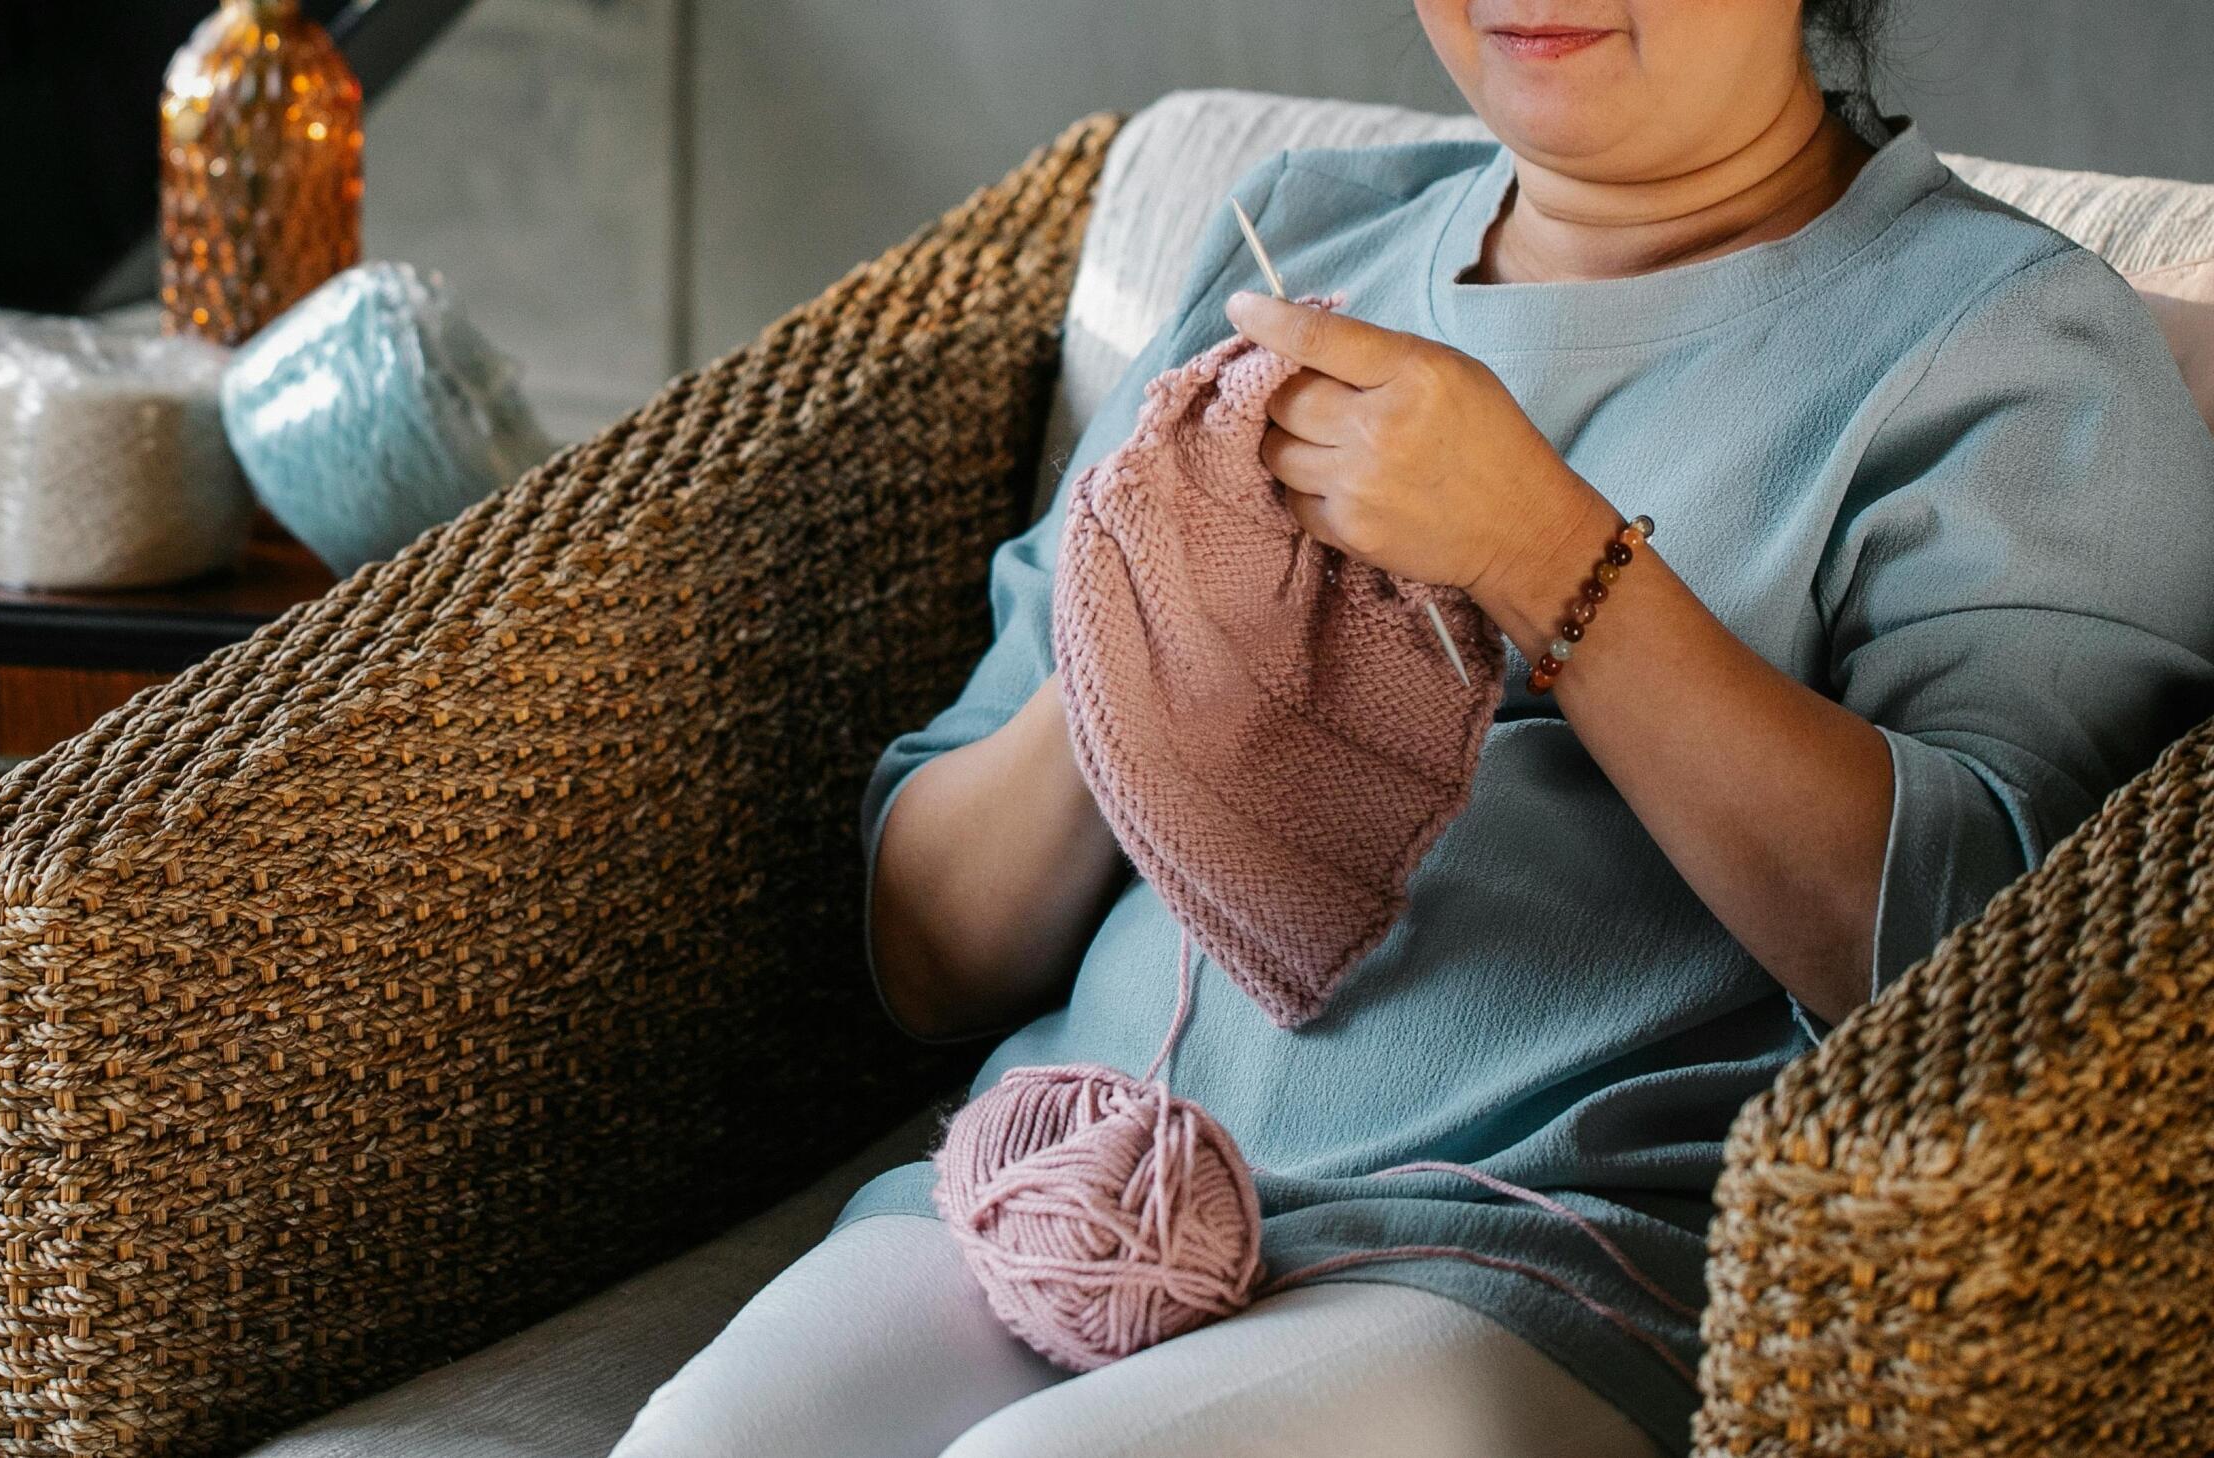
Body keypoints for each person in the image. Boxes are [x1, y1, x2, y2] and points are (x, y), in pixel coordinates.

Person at [612, 2, 2214, 1455]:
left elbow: (2000, 982)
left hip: (1537, 1255)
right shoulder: (1308, 237)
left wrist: (1541, 547)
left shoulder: (2006, 344)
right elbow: (928, 953)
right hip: (1076, 1182)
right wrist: (1154, 620)